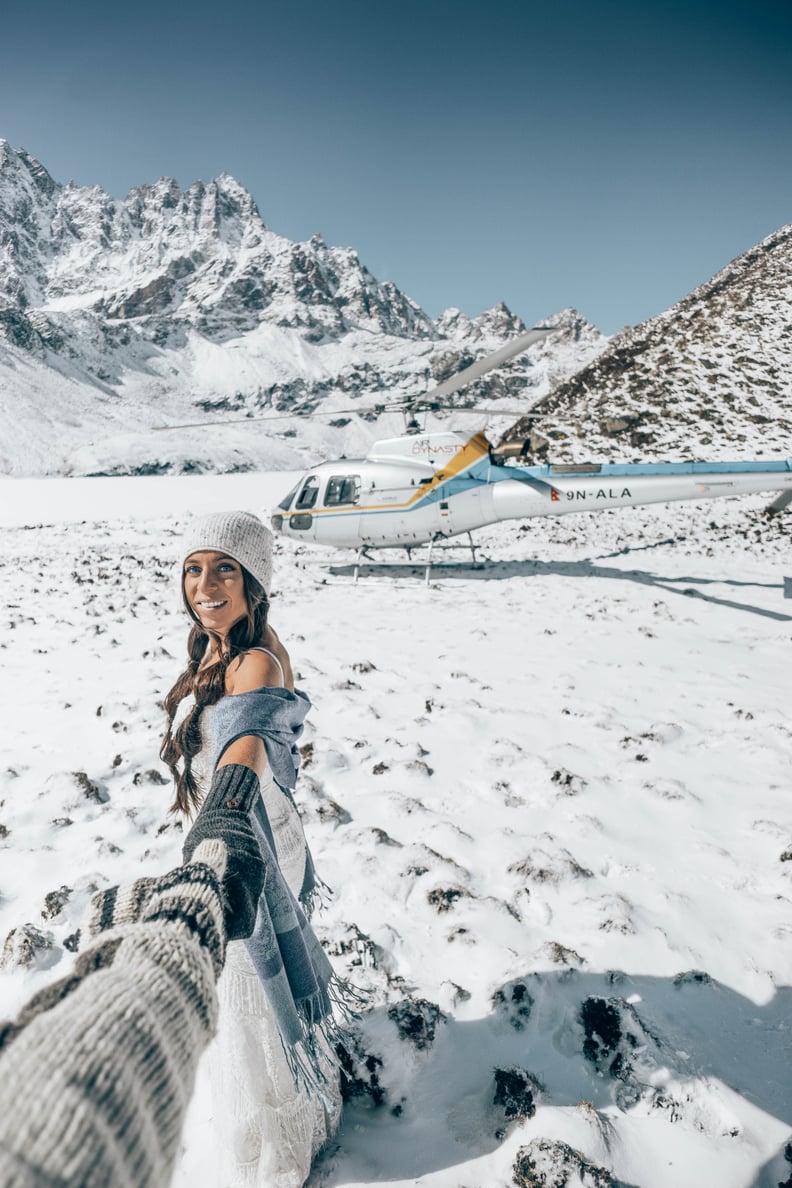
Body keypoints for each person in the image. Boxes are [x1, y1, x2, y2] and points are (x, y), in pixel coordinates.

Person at [160, 510, 342, 1188]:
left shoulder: (257, 660)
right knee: (251, 989)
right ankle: (295, 1099)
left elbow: (250, 738)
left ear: (254, 580)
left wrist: (228, 804)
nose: (205, 584)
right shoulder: (218, 649)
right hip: (244, 830)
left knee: (252, 987)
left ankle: (284, 1144)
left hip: (249, 838)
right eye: (194, 569)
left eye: (225, 569)